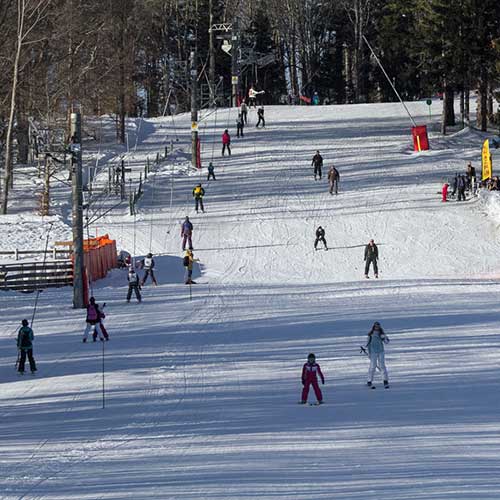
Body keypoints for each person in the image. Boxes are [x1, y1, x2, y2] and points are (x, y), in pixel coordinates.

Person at [365, 321, 390, 388]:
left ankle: (385, 380)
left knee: (382, 366)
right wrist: (369, 353)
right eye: (376, 326)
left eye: (378, 326)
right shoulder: (370, 334)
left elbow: (387, 342)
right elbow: (368, 344)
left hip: (381, 351)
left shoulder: (381, 334)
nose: (377, 327)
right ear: (374, 326)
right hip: (373, 352)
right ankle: (369, 381)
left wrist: (385, 337)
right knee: (373, 366)